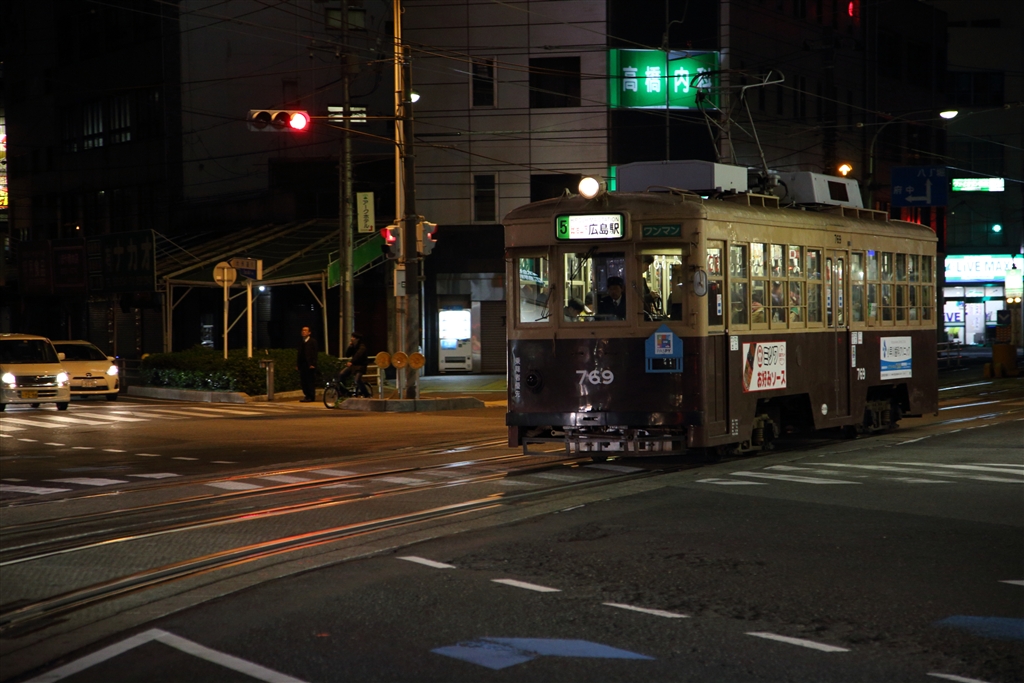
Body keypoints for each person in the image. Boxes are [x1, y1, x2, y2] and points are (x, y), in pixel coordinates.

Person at [337, 332, 370, 397]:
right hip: (353, 366)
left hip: (361, 366)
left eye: (353, 337)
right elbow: (347, 355)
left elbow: (358, 355)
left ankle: (366, 394)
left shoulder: (362, 347)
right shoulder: (353, 346)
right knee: (341, 374)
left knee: (357, 380)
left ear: (357, 339)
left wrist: (351, 362)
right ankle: (344, 392)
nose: (351, 338)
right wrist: (350, 347)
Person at [296, 325, 318, 402]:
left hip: (309, 365)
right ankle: (306, 395)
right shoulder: (301, 342)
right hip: (303, 364)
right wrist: (298, 365)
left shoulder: (312, 342)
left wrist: (313, 364)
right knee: (303, 381)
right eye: (303, 330)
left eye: (305, 330)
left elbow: (315, 354)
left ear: (309, 332)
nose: (303, 332)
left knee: (310, 380)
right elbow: (299, 354)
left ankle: (311, 396)